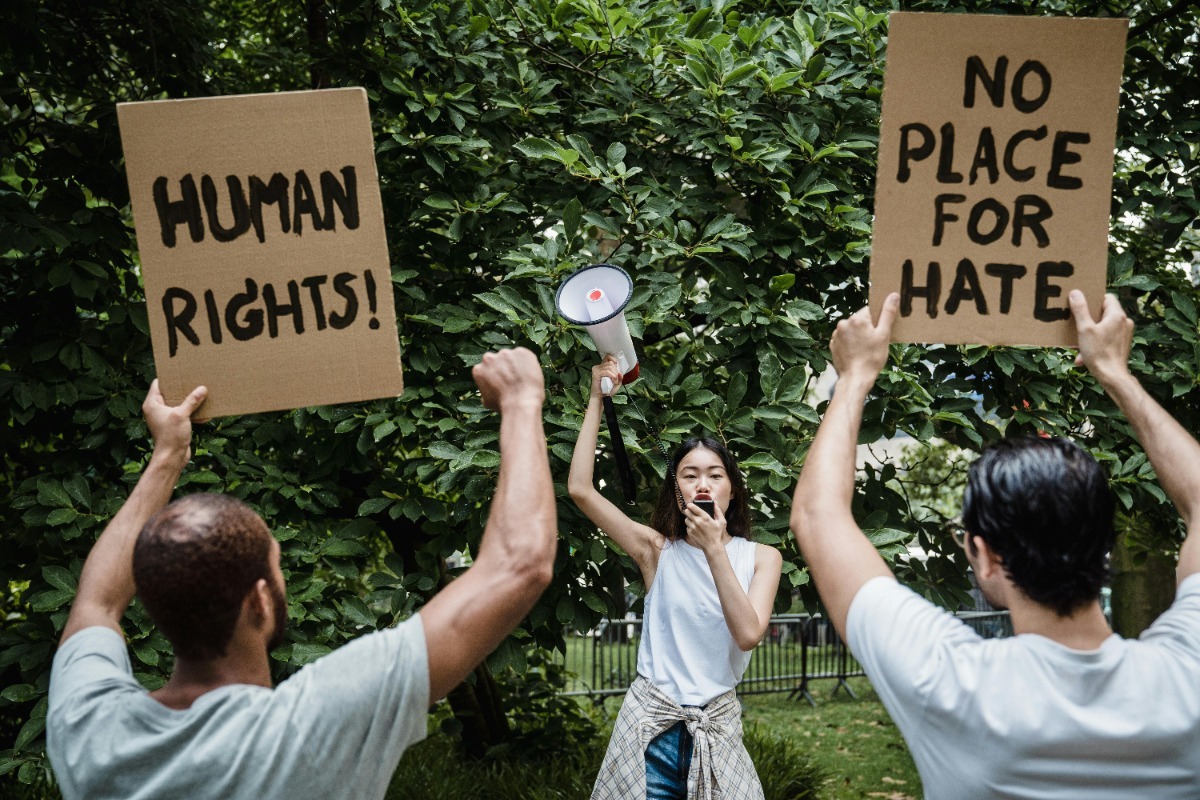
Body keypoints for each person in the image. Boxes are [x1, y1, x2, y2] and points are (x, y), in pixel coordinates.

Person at [47, 348, 556, 800]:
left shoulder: (91, 729)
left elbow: (96, 601)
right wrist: (521, 400)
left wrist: (168, 455)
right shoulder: (312, 727)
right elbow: (519, 563)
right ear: (260, 601)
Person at [790, 290, 1200, 799]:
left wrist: (853, 378)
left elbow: (816, 514)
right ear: (1104, 544)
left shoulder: (951, 684)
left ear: (984, 555)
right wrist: (1116, 373)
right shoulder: (1188, 676)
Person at [570, 355, 783, 800]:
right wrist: (596, 399)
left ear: (732, 488)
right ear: (677, 490)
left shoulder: (763, 557)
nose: (702, 484)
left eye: (714, 475)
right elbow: (581, 490)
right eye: (689, 475)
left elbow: (747, 634)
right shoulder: (656, 550)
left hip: (717, 731)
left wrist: (713, 549)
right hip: (651, 736)